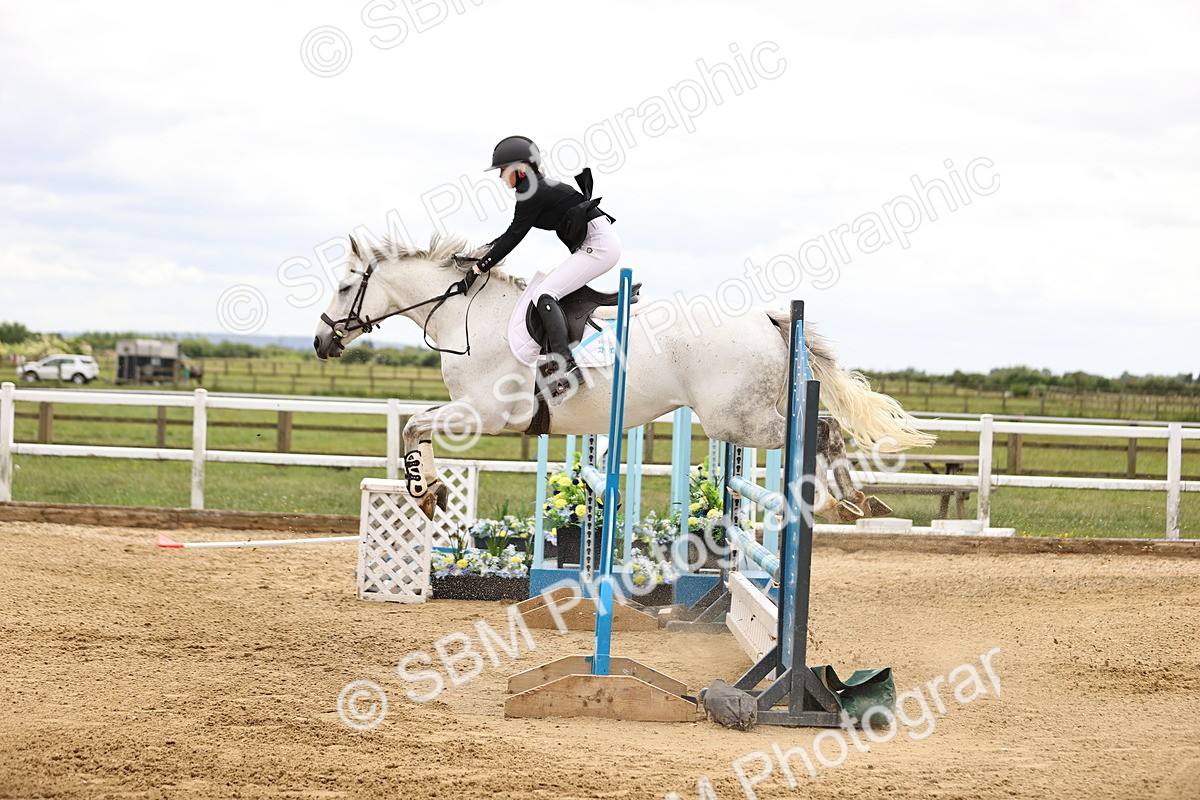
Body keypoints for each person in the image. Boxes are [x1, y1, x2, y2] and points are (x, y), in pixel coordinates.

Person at [473, 135, 619, 400]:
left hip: (599, 246)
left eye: (503, 170)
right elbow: (510, 233)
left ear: (520, 168)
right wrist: (479, 256)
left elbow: (513, 236)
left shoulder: (533, 192)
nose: (500, 178)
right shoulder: (534, 188)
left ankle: (568, 367)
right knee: (548, 290)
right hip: (596, 244)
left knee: (544, 294)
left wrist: (479, 268)